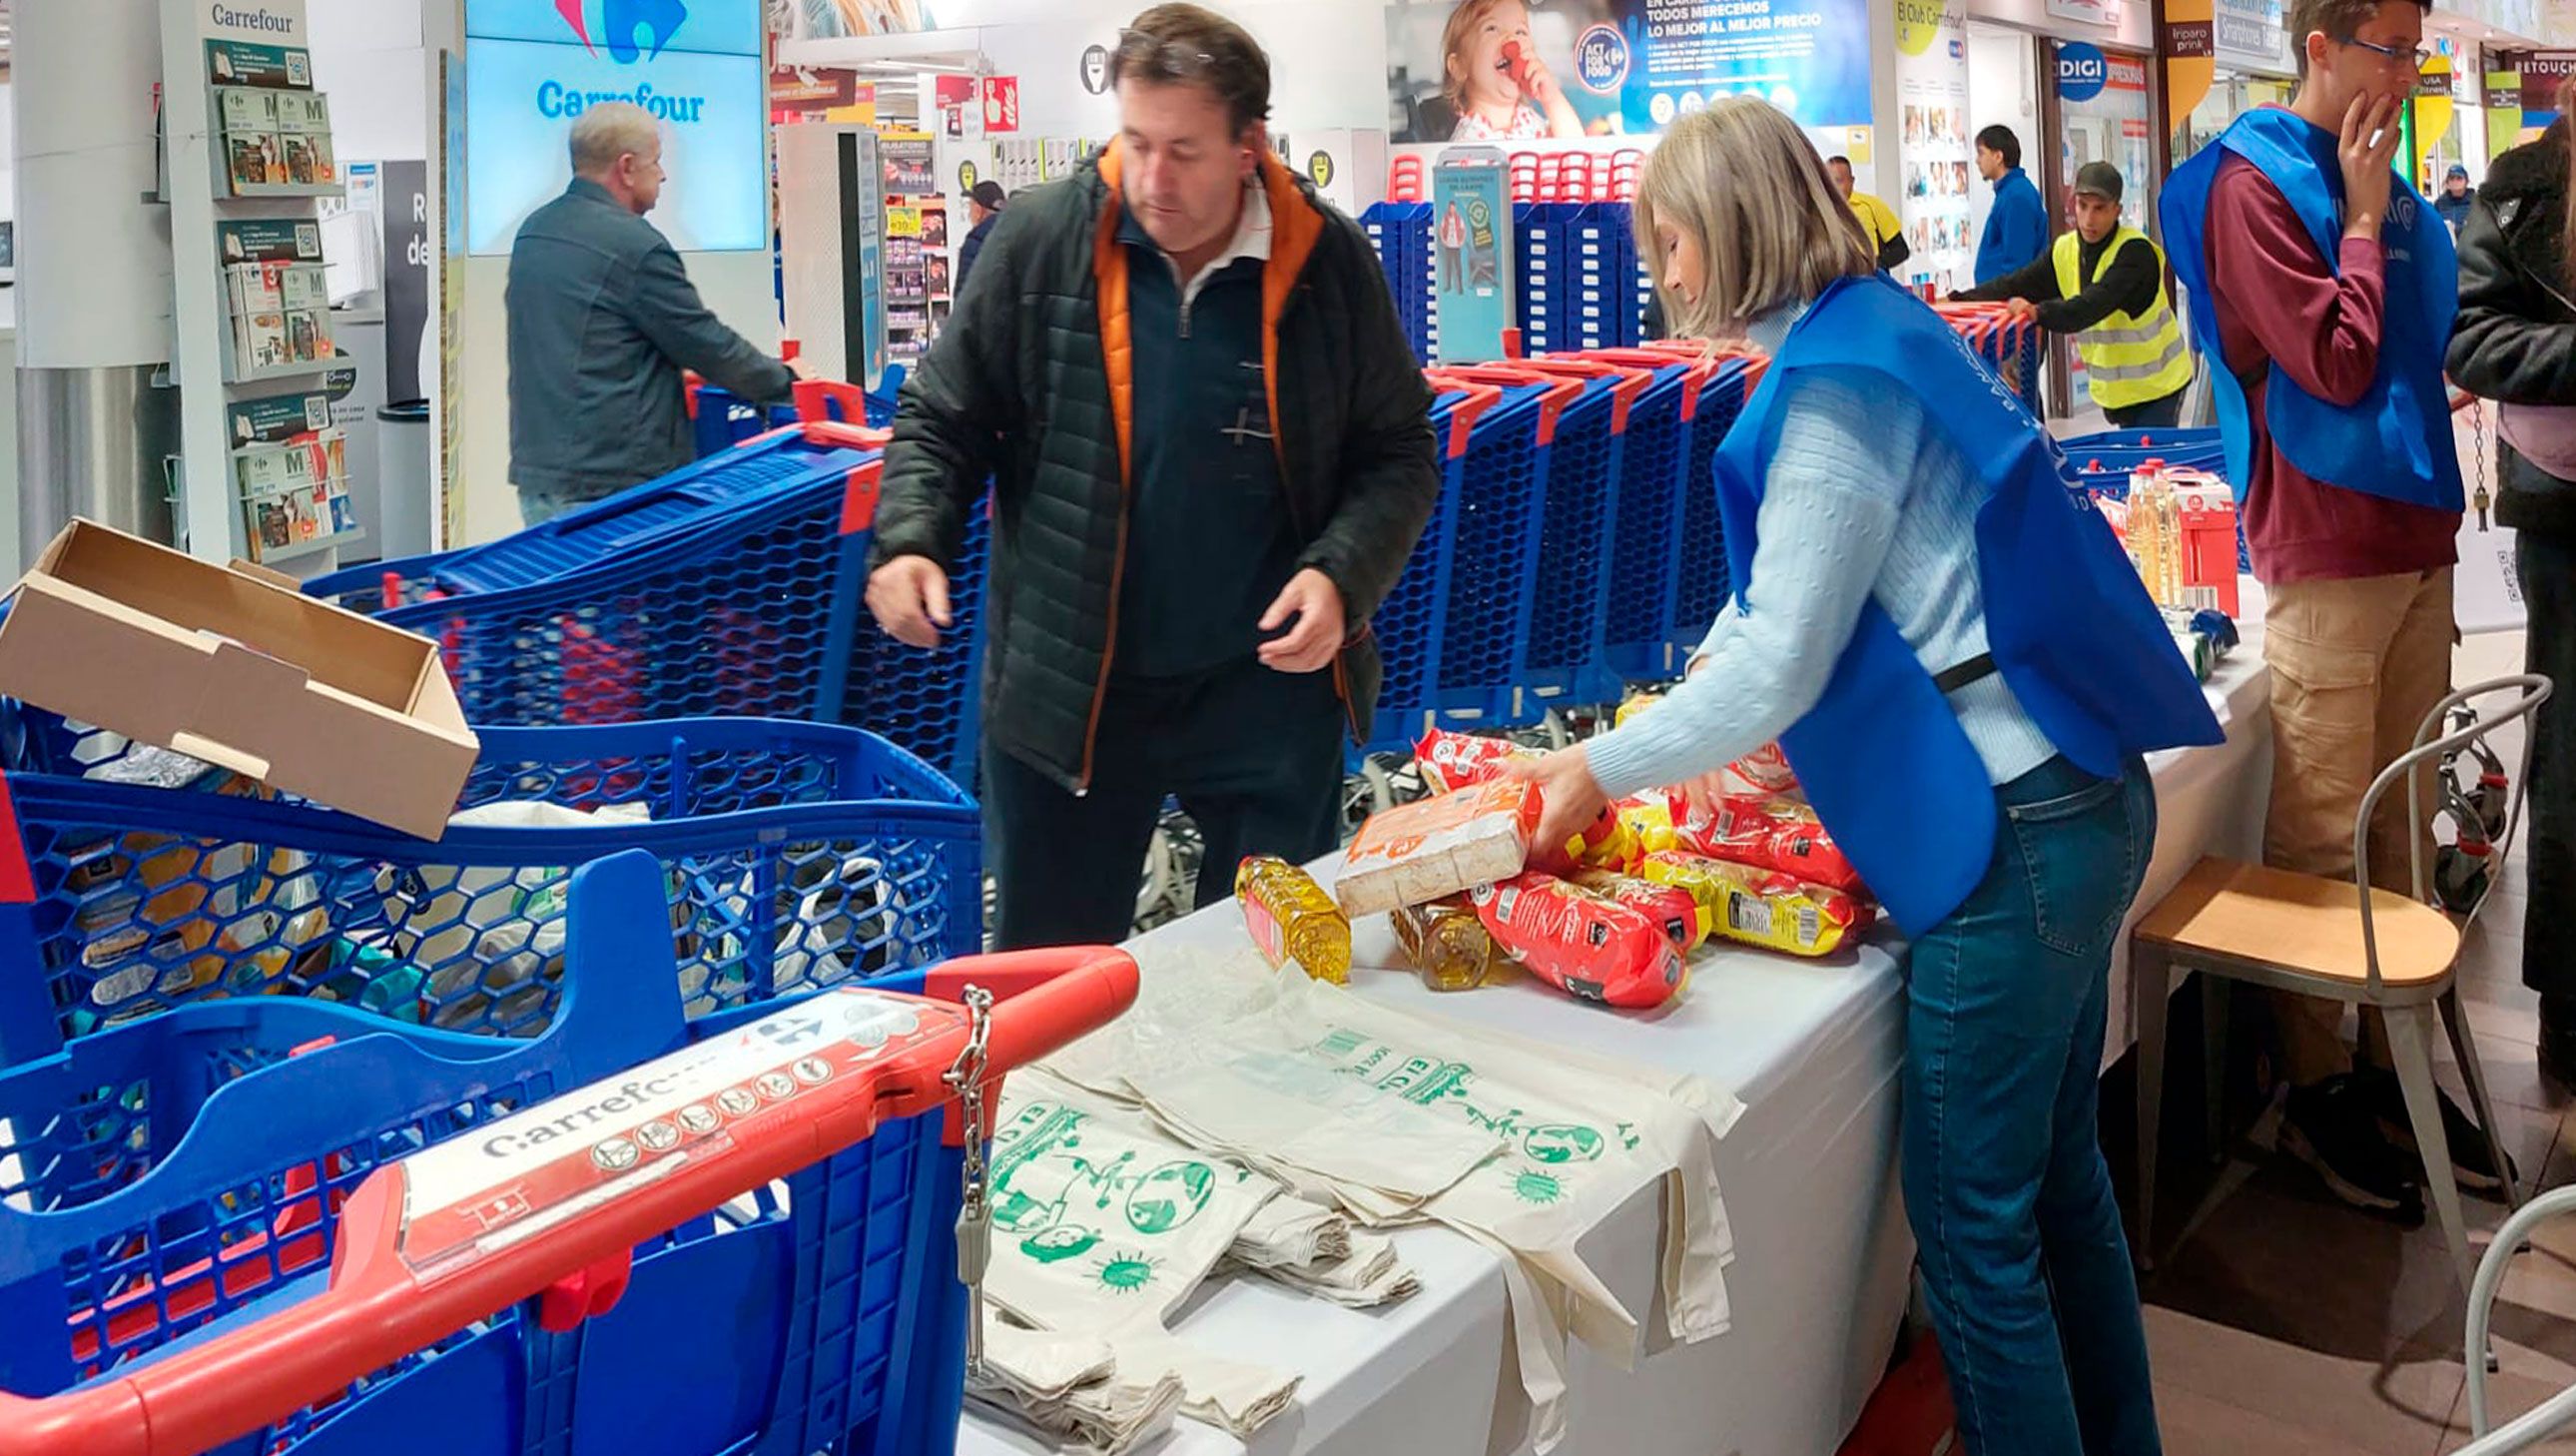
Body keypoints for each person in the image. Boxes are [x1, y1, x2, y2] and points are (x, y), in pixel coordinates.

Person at [1511, 96, 2218, 1456]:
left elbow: (1782, 655)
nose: (1662, 264)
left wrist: (1599, 769)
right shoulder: (1874, 334)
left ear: (1722, 229)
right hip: (2068, 795)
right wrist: (1655, 725)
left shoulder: (1834, 385)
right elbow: (1786, 601)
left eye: (1669, 234)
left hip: (2011, 832)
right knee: (2055, 1185)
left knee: (1968, 1233)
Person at [866, 4, 1439, 950]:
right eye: (1135, 141)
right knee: (1052, 988)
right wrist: (911, 537)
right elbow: (941, 414)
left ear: (1250, 143)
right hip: (1073, 693)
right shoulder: (1042, 241)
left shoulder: (1326, 263)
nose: (1154, 179)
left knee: (1271, 974)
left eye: (1185, 150)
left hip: (1266, 688)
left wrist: (1344, 573)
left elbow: (1399, 447)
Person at [2163, 0, 2498, 1219]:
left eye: (2419, 50)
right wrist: (2360, 220)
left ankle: (2383, 1063)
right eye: (2392, 48)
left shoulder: (2382, 177)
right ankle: (2316, 1092)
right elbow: (2339, 364)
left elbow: (2425, 351)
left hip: (2416, 536)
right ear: (2319, 45)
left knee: (2407, 815)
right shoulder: (2257, 185)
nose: (2410, 72)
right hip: (2325, 548)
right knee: (2321, 833)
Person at [504, 102, 807, 526]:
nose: (662, 174)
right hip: (614, 488)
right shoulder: (634, 246)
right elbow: (706, 344)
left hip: (541, 476)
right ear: (626, 168)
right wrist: (787, 382)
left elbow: (580, 344)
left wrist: (657, 371)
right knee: (619, 595)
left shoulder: (535, 231)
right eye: (656, 161)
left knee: (567, 592)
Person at [2447, 117, 2576, 1079]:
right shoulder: (2528, 183)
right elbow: (2473, 339)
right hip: (2569, 524)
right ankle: (2570, 1007)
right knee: (2572, 766)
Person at [1954, 162, 2195, 427]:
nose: (2089, 219)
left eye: (2100, 208)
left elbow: (2090, 306)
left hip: (2159, 387)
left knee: (2148, 464)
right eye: (2082, 206)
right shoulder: (2065, 250)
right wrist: (1957, 300)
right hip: (2118, 394)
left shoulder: (2136, 253)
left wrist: (2037, 312)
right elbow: (2015, 284)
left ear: (2117, 210)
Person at [1440, 0, 1583, 141]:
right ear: (1459, 67)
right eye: (1491, 28)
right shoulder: (1468, 140)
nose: (1511, 38)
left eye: (1520, 32)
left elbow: (1575, 150)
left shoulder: (1527, 119)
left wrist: (1552, 99)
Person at [1973, 124, 2049, 285]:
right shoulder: (2009, 193)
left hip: (2007, 301)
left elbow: (2018, 263)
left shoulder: (2016, 196)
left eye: (1981, 153)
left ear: (1998, 156)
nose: (1977, 160)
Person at [1826, 154, 1911, 274]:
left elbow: (1900, 250)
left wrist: (1873, 265)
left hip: (1871, 282)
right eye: (1828, 182)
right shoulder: (1820, 213)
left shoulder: (1871, 205)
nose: (1833, 187)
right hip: (1836, 284)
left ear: (1852, 181)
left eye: (1838, 181)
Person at [955, 179, 1007, 295]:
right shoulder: (1022, 235)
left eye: (970, 208)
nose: (969, 215)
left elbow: (964, 296)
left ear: (978, 210)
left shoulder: (974, 243)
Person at [2434, 161, 2478, 231]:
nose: (2455, 182)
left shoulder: (2476, 202)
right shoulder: (2440, 204)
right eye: (2452, 178)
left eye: (2459, 178)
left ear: (2466, 182)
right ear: (2447, 182)